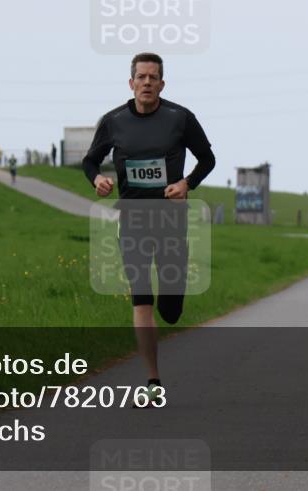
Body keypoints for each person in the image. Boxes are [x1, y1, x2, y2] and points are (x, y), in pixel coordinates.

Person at [82, 52, 215, 407]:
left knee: (170, 309)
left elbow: (208, 159)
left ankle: (176, 294)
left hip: (171, 223)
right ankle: (153, 380)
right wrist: (97, 179)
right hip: (133, 222)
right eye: (141, 77)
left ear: (162, 84)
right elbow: (90, 159)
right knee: (141, 299)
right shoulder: (113, 121)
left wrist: (187, 183)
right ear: (131, 83)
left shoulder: (180, 118)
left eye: (153, 77)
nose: (147, 83)